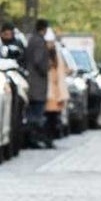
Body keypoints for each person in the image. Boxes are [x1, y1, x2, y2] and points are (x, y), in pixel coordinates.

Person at [22, 19, 53, 147]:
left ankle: (30, 138)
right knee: (36, 114)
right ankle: (33, 139)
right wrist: (46, 68)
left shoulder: (31, 40)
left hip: (31, 82)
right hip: (38, 84)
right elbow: (39, 60)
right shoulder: (40, 42)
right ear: (44, 29)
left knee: (31, 113)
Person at [43, 27, 70, 139]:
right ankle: (48, 136)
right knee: (48, 116)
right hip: (47, 90)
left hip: (55, 90)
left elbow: (61, 72)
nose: (51, 45)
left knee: (54, 116)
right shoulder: (44, 55)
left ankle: (53, 135)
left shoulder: (56, 56)